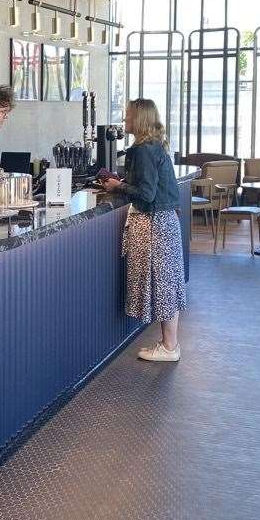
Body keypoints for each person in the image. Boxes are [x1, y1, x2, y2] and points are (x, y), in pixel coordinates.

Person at [101, 98, 187, 363]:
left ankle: (169, 347)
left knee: (162, 284)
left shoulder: (142, 150)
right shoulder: (155, 146)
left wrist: (118, 187)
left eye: (127, 116)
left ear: (138, 119)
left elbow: (146, 194)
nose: (124, 120)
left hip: (153, 224)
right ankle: (169, 344)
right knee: (168, 283)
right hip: (165, 221)